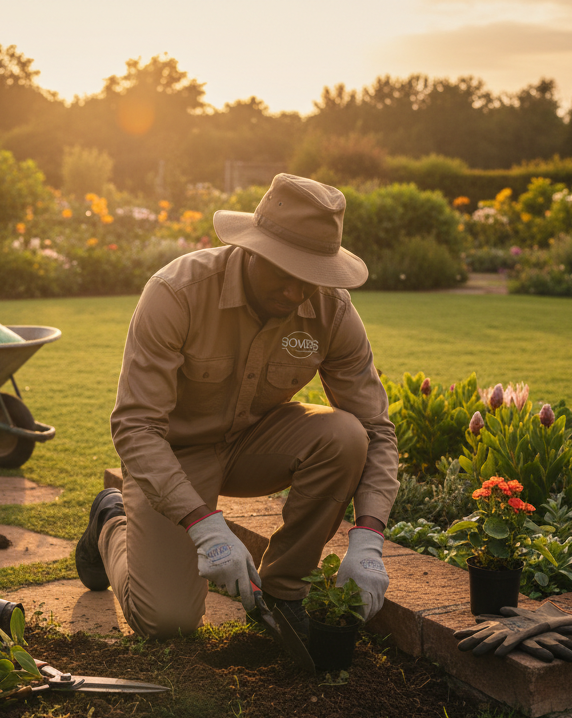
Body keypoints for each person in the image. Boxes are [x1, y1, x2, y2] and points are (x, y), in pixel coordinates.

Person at [76, 173, 398, 639]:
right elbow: (135, 427)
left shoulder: (333, 311)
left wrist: (369, 539)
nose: (295, 293)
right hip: (177, 455)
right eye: (284, 273)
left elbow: (377, 430)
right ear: (252, 249)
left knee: (347, 436)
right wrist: (204, 526)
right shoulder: (176, 294)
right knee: (167, 622)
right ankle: (109, 523)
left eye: (309, 279)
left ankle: (283, 593)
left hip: (256, 444)